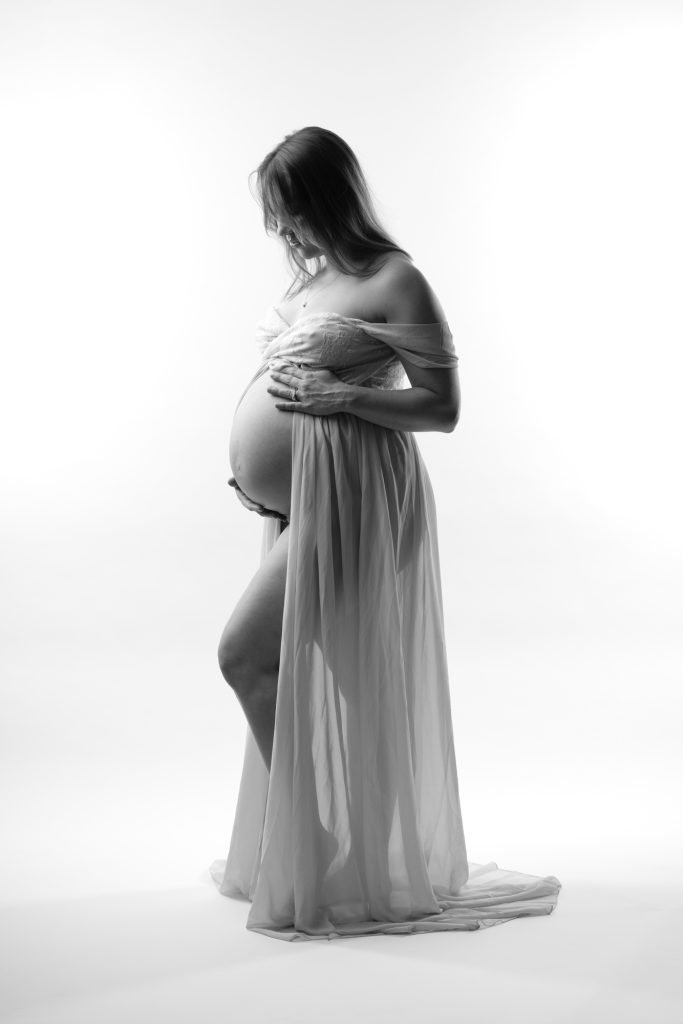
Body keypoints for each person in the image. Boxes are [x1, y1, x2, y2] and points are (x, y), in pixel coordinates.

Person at [211, 127, 561, 940]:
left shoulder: (395, 279)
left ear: (327, 197)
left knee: (246, 656)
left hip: (359, 502)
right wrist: (256, 474)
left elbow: (442, 409)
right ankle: (355, 853)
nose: (282, 232)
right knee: (334, 680)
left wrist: (343, 402)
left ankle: (333, 852)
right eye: (273, 217)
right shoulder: (312, 280)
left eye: (289, 211)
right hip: (303, 503)